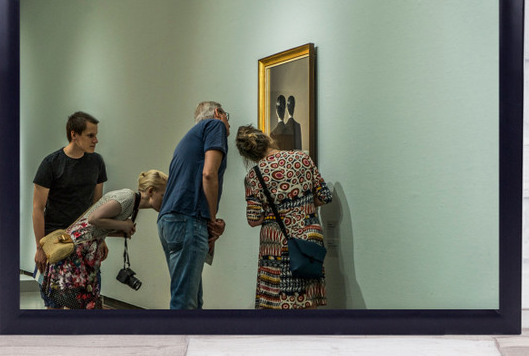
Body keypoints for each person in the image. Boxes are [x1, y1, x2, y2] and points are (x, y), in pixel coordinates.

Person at [235, 124, 332, 309]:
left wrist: (275, 213)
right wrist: (302, 206)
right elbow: (324, 196)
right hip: (308, 242)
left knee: (279, 310)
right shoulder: (302, 158)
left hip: (277, 248)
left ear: (249, 156)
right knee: (308, 304)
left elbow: (253, 219)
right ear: (267, 139)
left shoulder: (254, 176)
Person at [41, 170, 168, 309]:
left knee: (77, 302)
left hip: (82, 251)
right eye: (163, 195)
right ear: (151, 191)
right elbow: (93, 219)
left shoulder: (132, 204)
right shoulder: (127, 198)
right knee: (76, 302)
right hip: (76, 252)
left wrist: (121, 231)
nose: (166, 200)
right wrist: (123, 225)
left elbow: (97, 227)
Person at [158, 101, 230, 309]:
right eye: (227, 117)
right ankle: (178, 342)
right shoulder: (215, 126)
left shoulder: (189, 138)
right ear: (218, 113)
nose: (228, 124)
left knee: (192, 299)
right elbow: (209, 174)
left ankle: (192, 341)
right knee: (184, 303)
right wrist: (213, 219)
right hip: (188, 220)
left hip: (169, 221)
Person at [32, 111, 108, 306]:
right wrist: (40, 248)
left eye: (96, 135)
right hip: (56, 241)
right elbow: (38, 209)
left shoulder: (96, 162)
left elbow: (97, 206)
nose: (96, 140)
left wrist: (100, 239)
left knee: (88, 300)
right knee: (54, 301)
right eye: (90, 135)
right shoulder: (51, 164)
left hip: (85, 241)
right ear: (74, 134)